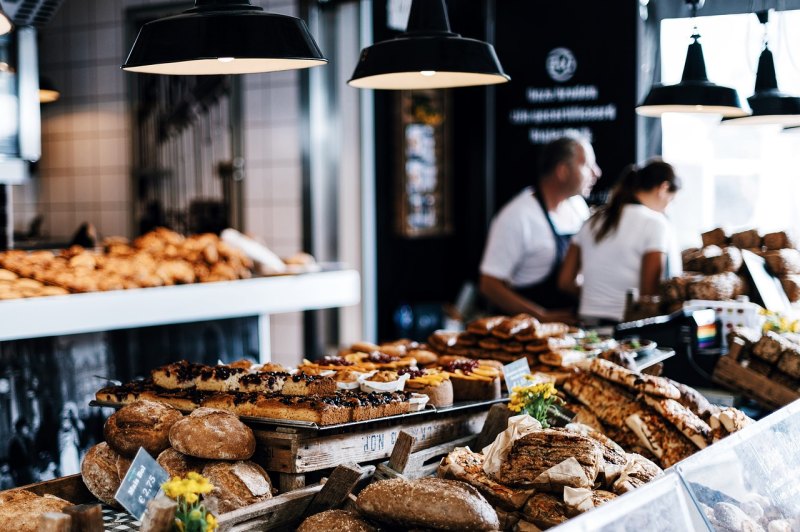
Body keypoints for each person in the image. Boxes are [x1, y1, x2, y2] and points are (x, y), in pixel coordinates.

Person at [479, 136, 602, 322]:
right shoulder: (517, 216)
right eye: (587, 165)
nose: (596, 172)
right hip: (527, 334)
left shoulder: (577, 207)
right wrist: (541, 317)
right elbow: (489, 285)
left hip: (573, 329)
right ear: (562, 171)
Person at [558, 159, 682, 324]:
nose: (668, 207)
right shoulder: (656, 223)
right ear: (663, 188)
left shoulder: (592, 220)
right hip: (627, 328)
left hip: (587, 325)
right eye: (671, 200)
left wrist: (597, 296)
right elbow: (649, 295)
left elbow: (565, 282)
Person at [8, 417, 36, 486]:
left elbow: (33, 453)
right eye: (24, 427)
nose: (26, 429)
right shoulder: (14, 442)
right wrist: (14, 472)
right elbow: (11, 459)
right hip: (20, 471)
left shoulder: (28, 440)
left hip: (29, 469)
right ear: (19, 428)